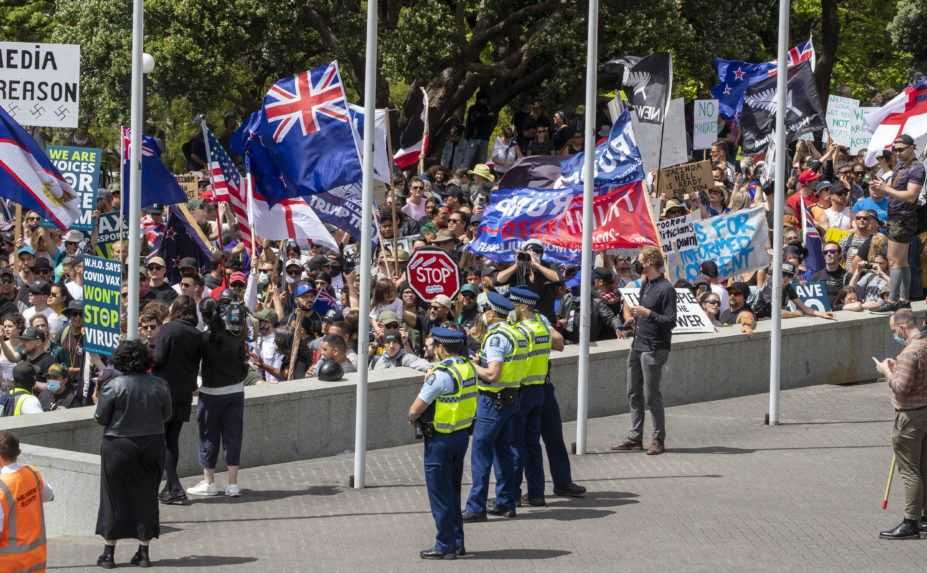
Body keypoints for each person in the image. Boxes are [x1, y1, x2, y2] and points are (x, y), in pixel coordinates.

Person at [94, 339, 172, 569]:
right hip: (152, 442)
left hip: (118, 444)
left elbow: (100, 417)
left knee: (112, 497)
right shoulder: (160, 384)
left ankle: (109, 554)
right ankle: (144, 552)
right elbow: (166, 415)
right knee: (147, 495)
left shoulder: (114, 386)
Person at [407, 327, 477, 560]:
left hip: (440, 439)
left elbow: (414, 411)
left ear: (440, 348)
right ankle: (457, 542)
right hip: (460, 435)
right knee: (454, 491)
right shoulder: (467, 367)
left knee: (440, 494)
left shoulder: (440, 375)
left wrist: (412, 417)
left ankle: (444, 545)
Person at [462, 292, 528, 522]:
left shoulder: (496, 337)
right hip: (512, 396)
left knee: (481, 454)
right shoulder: (517, 332)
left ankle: (476, 506)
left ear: (491, 312)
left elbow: (492, 373)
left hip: (493, 400)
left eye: (484, 310)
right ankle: (506, 502)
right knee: (503, 453)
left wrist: (472, 366)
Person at [613, 247, 676, 455]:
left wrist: (648, 313)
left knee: (652, 395)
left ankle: (658, 439)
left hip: (654, 348)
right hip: (638, 344)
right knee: (633, 391)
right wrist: (634, 318)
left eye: (640, 259)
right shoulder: (645, 284)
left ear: (649, 261)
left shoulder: (666, 289)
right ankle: (635, 436)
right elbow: (644, 312)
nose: (637, 262)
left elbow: (670, 321)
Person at [186, 296, 249, 498]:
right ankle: (233, 484)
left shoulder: (203, 339)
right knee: (233, 437)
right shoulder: (236, 335)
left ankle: (209, 481)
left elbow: (194, 364)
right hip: (236, 391)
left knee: (208, 437)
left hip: (211, 393)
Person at [874, 309, 927, 539]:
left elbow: (902, 388)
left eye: (895, 330)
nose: (895, 334)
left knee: (910, 470)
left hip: (910, 416)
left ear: (903, 327)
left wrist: (887, 372)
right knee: (924, 467)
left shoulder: (910, 352)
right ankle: (924, 519)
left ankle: (911, 522)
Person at [510, 286, 565, 507]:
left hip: (520, 389)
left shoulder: (518, 329)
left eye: (514, 304)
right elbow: (558, 342)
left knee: (515, 445)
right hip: (538, 388)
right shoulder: (541, 327)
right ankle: (536, 493)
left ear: (522, 306)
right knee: (533, 444)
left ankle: (511, 494)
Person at [152, 296, 204, 505]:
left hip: (164, 391)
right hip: (183, 393)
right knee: (172, 439)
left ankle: (175, 487)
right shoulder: (196, 335)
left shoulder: (169, 329)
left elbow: (158, 358)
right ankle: (170, 487)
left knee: (163, 440)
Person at [871, 134, 925, 312]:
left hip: (903, 217)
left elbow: (911, 196)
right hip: (896, 215)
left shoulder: (917, 168)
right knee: (901, 261)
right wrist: (882, 188)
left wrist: (886, 189)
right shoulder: (901, 166)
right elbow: (895, 190)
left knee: (894, 260)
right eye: (896, 150)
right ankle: (903, 299)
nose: (898, 153)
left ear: (912, 148)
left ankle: (893, 300)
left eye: (902, 149)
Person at [0, 431, 54, 573]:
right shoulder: (32, 472)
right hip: (35, 557)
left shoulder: (1, 487)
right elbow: (49, 495)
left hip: (9, 563)